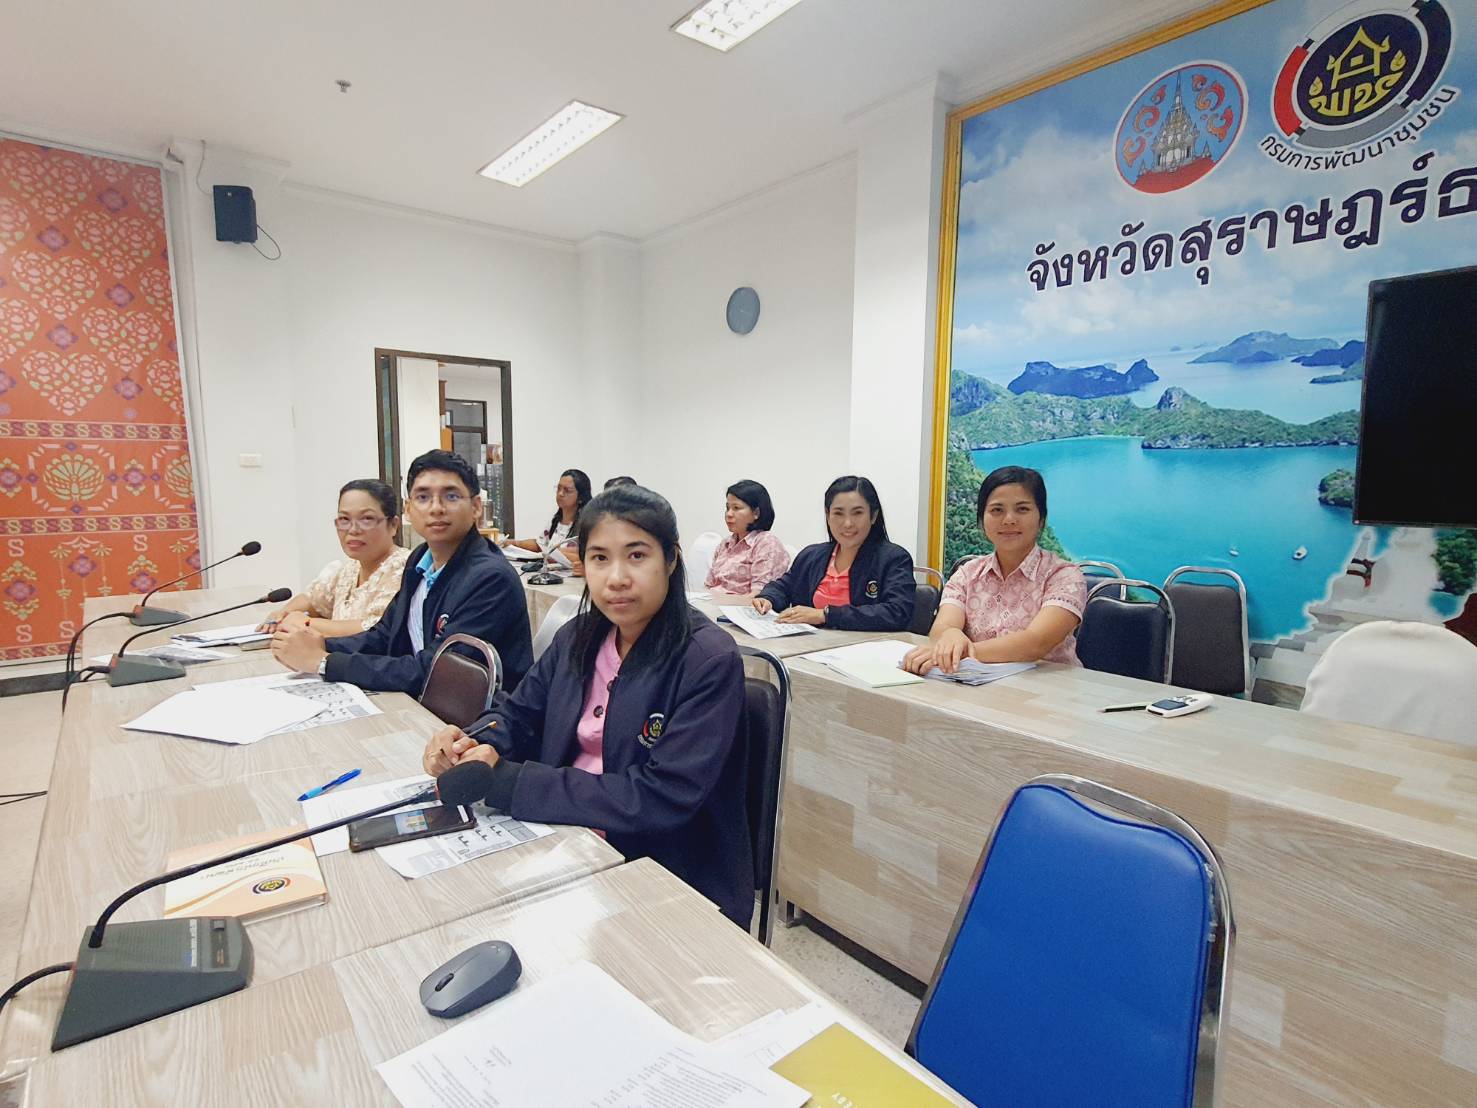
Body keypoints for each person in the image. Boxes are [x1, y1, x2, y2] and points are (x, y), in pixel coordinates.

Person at [422, 485, 753, 926]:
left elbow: (659, 798)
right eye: (599, 558)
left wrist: (510, 783)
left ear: (671, 560)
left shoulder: (707, 659)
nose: (616, 577)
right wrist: (471, 742)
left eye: (637, 556)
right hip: (562, 839)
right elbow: (518, 714)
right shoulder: (577, 637)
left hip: (659, 871)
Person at [271, 450, 533, 694]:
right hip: (425, 703)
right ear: (408, 510)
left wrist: (325, 662)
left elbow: (440, 672)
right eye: (423, 497)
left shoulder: (490, 578)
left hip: (476, 719)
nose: (436, 508)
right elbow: (386, 636)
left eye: (451, 496)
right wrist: (318, 646)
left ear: (476, 507)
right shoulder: (421, 559)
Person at [903, 467, 1086, 674]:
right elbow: (941, 629)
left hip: (1050, 687)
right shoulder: (967, 574)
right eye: (997, 510)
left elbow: (1036, 642)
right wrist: (950, 635)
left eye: (1022, 509)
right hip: (977, 684)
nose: (1009, 519)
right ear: (982, 521)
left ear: (1041, 519)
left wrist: (961, 652)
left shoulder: (1064, 576)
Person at [753, 476, 915, 630]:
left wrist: (825, 615)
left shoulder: (894, 558)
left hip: (866, 645)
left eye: (857, 513)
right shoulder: (811, 555)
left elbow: (897, 612)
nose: (847, 523)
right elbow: (783, 587)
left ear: (873, 516)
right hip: (807, 644)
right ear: (828, 515)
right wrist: (768, 598)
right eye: (838, 513)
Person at [256, 479, 410, 638]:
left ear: (393, 525)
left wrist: (306, 623)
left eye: (366, 519)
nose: (353, 530)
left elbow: (376, 629)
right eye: (344, 519)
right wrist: (283, 613)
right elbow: (313, 600)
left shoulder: (404, 568)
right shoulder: (351, 568)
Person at [705, 479, 790, 597]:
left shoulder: (766, 543)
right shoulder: (725, 543)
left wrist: (717, 602)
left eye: (736, 508)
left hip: (739, 607)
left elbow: (758, 596)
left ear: (756, 513)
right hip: (713, 603)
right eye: (727, 508)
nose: (729, 514)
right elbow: (709, 586)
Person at [503, 468, 591, 575]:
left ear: (581, 497)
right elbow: (540, 545)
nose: (560, 494)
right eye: (558, 488)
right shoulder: (555, 521)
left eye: (567, 490)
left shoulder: (587, 524)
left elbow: (585, 555)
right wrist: (515, 543)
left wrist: (552, 554)